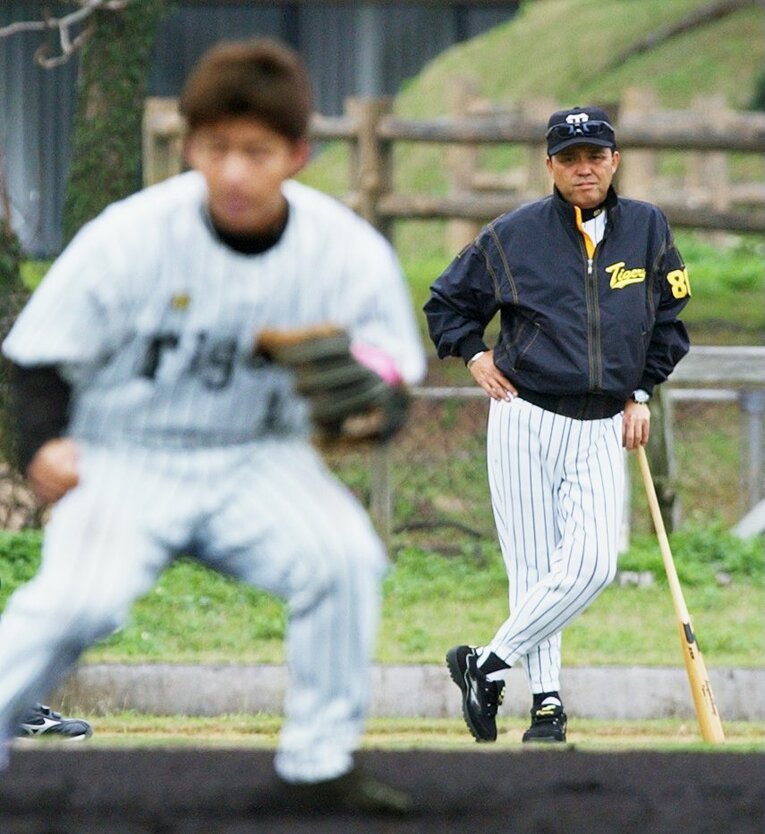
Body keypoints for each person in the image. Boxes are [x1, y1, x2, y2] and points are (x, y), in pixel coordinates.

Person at [0, 38, 425, 812]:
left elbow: (391, 373)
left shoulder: (343, 253)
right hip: (124, 456)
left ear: (296, 153)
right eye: (217, 147)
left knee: (343, 558)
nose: (234, 170)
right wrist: (44, 443)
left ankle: (320, 767)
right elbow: (36, 353)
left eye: (256, 151)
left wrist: (376, 404)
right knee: (74, 602)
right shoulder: (129, 237)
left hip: (261, 457)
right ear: (190, 145)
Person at [425, 105, 690, 744]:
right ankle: (547, 706)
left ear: (614, 160)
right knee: (535, 567)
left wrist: (641, 392)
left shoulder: (648, 229)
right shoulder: (513, 234)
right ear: (550, 165)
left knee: (593, 563)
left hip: (603, 423)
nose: (583, 168)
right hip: (524, 415)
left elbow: (671, 322)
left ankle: (485, 666)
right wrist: (475, 354)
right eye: (569, 159)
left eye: (595, 156)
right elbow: (447, 302)